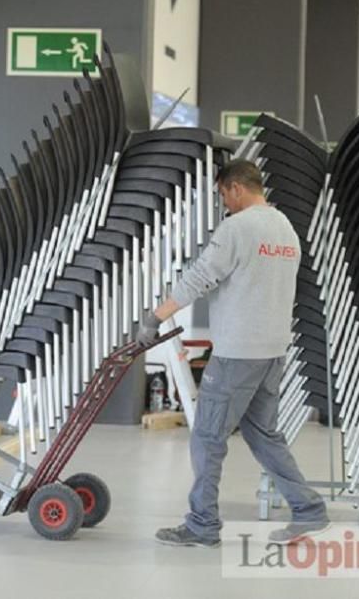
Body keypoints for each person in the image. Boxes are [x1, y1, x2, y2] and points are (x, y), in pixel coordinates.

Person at [138, 159, 328, 549]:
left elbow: (200, 277)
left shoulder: (236, 228)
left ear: (236, 188)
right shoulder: (284, 228)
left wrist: (154, 317)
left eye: (223, 194)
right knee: (263, 435)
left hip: (238, 352)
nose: (224, 203)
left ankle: (202, 524)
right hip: (273, 351)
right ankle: (308, 510)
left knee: (207, 437)